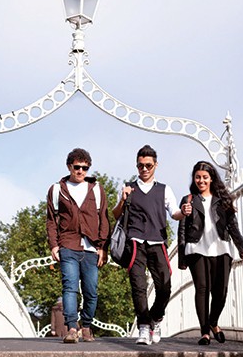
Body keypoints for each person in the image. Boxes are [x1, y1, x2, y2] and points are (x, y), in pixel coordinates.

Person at [112, 144, 185, 345]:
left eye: (148, 166)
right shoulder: (128, 187)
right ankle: (143, 327)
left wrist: (184, 212)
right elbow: (116, 214)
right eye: (140, 166)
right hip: (135, 242)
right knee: (138, 285)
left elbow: (175, 213)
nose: (144, 169)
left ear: (155, 165)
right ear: (137, 166)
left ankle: (155, 318)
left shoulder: (164, 189)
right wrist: (123, 199)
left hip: (157, 241)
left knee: (165, 285)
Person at [178, 161, 243, 346]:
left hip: (221, 248)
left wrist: (241, 246)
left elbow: (232, 226)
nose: (201, 181)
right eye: (197, 177)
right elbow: (183, 229)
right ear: (194, 179)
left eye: (204, 177)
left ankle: (213, 322)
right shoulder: (188, 200)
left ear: (211, 179)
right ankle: (204, 333)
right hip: (196, 248)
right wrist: (182, 256)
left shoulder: (223, 200)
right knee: (202, 289)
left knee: (221, 292)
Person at [46, 148, 110, 343]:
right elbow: (51, 219)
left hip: (91, 248)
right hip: (68, 245)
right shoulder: (57, 189)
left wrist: (103, 247)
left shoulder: (96, 189)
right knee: (70, 287)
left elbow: (104, 219)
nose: (81, 171)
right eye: (77, 167)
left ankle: (87, 326)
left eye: (85, 168)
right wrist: (54, 245)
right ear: (69, 167)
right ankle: (72, 328)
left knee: (91, 291)